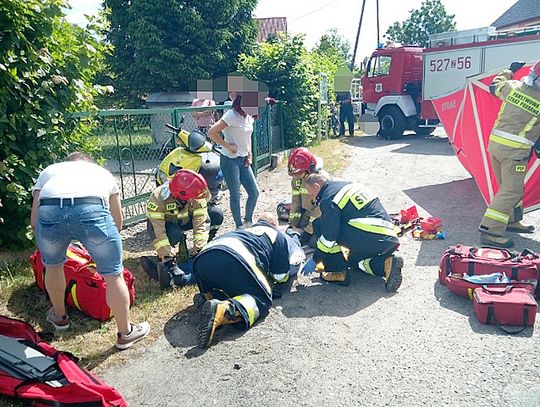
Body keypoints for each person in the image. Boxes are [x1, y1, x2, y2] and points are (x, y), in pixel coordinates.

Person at [30, 152, 150, 350]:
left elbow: (35, 220)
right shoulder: (102, 173)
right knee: (113, 275)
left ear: (66, 163)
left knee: (53, 267)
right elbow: (117, 222)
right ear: (89, 164)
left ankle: (59, 317)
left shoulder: (49, 171)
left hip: (50, 209)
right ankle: (125, 333)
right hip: (91, 207)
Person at [192, 213, 294, 348]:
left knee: (235, 286)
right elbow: (280, 276)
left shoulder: (242, 231)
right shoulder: (276, 235)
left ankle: (210, 295)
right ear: (274, 225)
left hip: (203, 260)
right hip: (236, 258)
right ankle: (225, 310)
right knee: (260, 298)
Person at [302, 173, 403, 291]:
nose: (312, 199)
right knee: (353, 261)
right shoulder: (347, 185)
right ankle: (386, 264)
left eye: (312, 195)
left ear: (317, 187)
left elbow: (329, 237)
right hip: (387, 238)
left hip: (369, 236)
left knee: (319, 224)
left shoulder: (329, 199)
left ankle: (337, 271)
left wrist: (315, 259)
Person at [478, 60, 540, 248]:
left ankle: (512, 221)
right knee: (511, 190)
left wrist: (510, 70)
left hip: (496, 146)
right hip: (515, 153)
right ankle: (490, 230)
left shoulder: (513, 87)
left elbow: (494, 86)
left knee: (508, 187)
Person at [143, 169, 222, 290]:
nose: (198, 198)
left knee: (216, 214)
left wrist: (199, 250)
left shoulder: (196, 195)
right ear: (183, 196)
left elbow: (200, 224)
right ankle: (167, 264)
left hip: (185, 220)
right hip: (167, 224)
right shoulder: (158, 197)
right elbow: (158, 231)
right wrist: (167, 256)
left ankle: (170, 275)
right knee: (173, 234)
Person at [208, 91, 259, 229]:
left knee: (254, 192)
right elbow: (212, 132)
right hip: (229, 160)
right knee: (235, 193)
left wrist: (249, 153)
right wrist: (227, 146)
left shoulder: (249, 117)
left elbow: (248, 136)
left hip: (243, 160)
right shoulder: (231, 115)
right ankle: (239, 225)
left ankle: (248, 220)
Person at [287, 147, 327, 247]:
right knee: (292, 236)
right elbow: (295, 201)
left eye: (300, 172)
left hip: (321, 217)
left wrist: (307, 230)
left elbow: (320, 210)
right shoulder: (297, 176)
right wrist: (293, 224)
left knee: (313, 243)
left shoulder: (321, 179)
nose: (297, 175)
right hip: (307, 214)